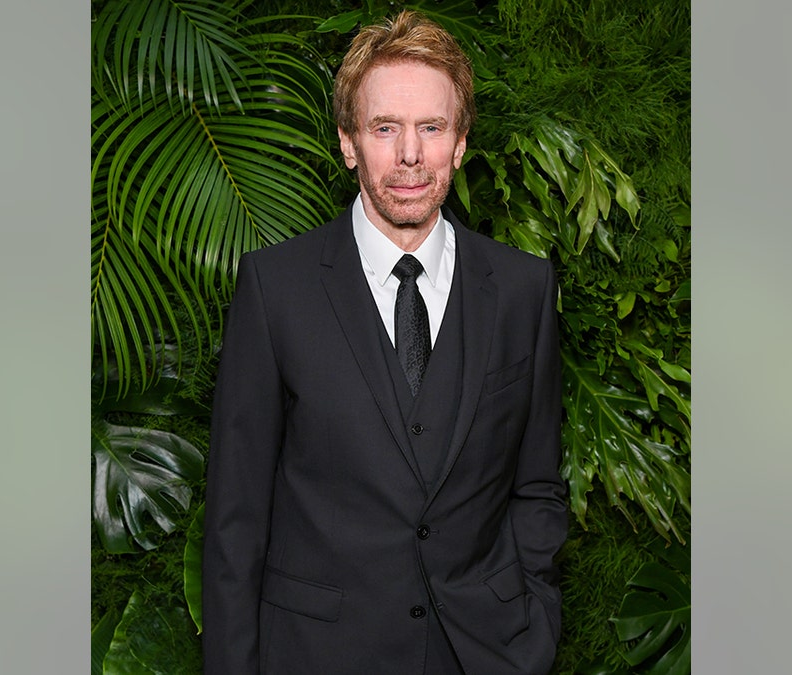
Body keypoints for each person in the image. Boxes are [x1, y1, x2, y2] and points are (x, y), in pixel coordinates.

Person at [202, 10, 566, 674]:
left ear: (460, 142)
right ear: (348, 142)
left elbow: (537, 482)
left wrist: (531, 615)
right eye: (385, 128)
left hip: (482, 652)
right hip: (318, 655)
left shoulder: (522, 290)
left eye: (431, 127)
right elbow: (235, 519)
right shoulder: (274, 289)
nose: (409, 156)